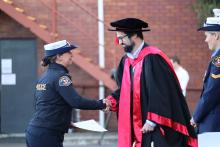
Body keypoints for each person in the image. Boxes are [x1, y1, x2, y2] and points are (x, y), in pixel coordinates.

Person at [105, 18, 197, 147]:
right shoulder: (126, 62)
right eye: (118, 38)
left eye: (122, 38)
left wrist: (152, 120)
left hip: (155, 125)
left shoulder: (153, 58)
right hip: (136, 125)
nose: (119, 42)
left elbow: (162, 91)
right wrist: (111, 100)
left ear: (135, 35)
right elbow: (125, 91)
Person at [25, 40, 110, 147]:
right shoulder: (61, 77)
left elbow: (42, 105)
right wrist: (101, 104)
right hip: (47, 135)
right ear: (59, 56)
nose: (71, 55)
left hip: (38, 132)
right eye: (68, 52)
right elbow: (76, 102)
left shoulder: (44, 77)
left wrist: (64, 121)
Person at [191, 16, 220, 134]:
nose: (206, 40)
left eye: (207, 35)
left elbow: (212, 91)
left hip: (214, 122)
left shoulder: (218, 60)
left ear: (216, 35)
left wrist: (196, 116)